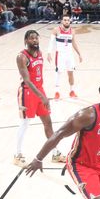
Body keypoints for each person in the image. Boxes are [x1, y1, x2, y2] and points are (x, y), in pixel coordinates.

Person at [13, 30, 66, 167]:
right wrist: (43, 96)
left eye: (36, 38)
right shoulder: (21, 57)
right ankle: (17, 155)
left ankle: (55, 153)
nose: (35, 40)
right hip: (26, 92)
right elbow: (27, 80)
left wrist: (42, 94)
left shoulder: (40, 53)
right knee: (25, 123)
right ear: (26, 41)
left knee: (48, 123)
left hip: (39, 90)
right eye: (31, 38)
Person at [47, 14, 83, 99]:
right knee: (58, 73)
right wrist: (49, 53)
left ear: (70, 21)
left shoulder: (72, 31)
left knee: (71, 73)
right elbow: (51, 42)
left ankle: (72, 91)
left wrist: (79, 54)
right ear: (62, 21)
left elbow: (74, 43)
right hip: (60, 54)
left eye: (68, 20)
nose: (66, 21)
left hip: (69, 55)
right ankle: (57, 92)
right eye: (65, 20)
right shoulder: (56, 30)